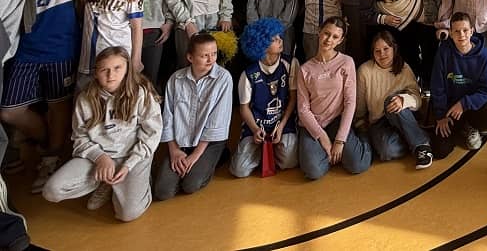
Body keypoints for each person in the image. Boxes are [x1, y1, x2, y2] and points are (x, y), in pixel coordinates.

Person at [1, 0, 141, 193]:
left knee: (59, 106)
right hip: (27, 51)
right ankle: (48, 139)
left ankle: (51, 157)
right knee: (10, 111)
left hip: (63, 52)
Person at [42, 47, 161, 220]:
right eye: (104, 70)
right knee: (51, 191)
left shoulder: (141, 94)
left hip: (132, 156)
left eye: (117, 68)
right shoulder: (85, 99)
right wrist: (100, 158)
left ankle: (138, 182)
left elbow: (152, 134)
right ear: (96, 72)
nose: (111, 75)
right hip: (98, 156)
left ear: (127, 68)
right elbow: (80, 137)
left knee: (127, 215)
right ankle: (105, 182)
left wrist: (129, 164)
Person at [154, 33, 233, 199]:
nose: (211, 60)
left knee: (190, 185)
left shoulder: (224, 78)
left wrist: (195, 156)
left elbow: (215, 122)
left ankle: (219, 155)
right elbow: (168, 117)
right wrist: (174, 151)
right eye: (204, 56)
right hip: (181, 141)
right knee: (162, 192)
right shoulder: (176, 79)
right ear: (190, 57)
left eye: (214, 54)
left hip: (208, 142)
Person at [296, 17, 372, 180]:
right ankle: (332, 155)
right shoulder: (304, 69)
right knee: (313, 171)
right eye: (326, 33)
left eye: (335, 37)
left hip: (337, 120)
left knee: (358, 165)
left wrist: (340, 140)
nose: (329, 39)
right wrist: (323, 138)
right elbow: (303, 109)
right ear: (319, 32)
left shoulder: (346, 62)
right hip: (313, 123)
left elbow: (350, 102)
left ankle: (361, 137)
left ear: (340, 40)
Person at [430, 12, 487, 159]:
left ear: (472, 31)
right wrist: (440, 115)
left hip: (475, 104)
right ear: (450, 33)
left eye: (465, 30)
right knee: (440, 150)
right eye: (457, 31)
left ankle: (470, 126)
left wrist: (464, 103)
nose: (462, 35)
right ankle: (464, 129)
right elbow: (437, 87)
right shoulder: (443, 53)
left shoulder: (483, 55)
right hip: (452, 107)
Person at [230, 18, 299, 177]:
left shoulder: (291, 63)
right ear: (261, 44)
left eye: (279, 37)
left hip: (281, 122)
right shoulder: (248, 73)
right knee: (239, 171)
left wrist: (281, 126)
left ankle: (273, 148)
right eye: (274, 39)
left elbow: (293, 99)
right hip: (257, 124)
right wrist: (255, 129)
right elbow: (244, 108)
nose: (280, 40)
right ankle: (259, 150)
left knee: (289, 162)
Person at [355, 31, 432, 169]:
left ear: (394, 49)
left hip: (401, 115)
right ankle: (417, 137)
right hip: (378, 122)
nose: (382, 54)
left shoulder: (404, 67)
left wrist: (404, 100)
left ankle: (422, 145)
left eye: (386, 49)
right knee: (386, 151)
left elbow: (418, 99)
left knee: (391, 100)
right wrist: (360, 124)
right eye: (377, 51)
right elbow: (360, 105)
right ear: (372, 53)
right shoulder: (364, 70)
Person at [361, 0, 436, 84]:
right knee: (400, 58)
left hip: (417, 20)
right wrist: (383, 18)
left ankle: (420, 87)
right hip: (394, 25)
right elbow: (364, 13)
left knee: (422, 56)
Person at [77, 0, 144, 89]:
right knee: (86, 98)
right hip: (88, 56)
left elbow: (137, 28)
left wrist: (136, 60)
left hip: (117, 55)